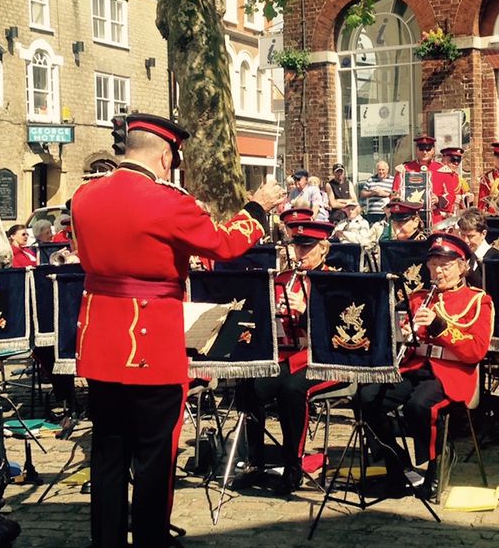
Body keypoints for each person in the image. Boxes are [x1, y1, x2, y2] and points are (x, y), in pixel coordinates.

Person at [72, 112, 284, 547]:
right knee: (154, 454)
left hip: (100, 338)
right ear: (166, 155)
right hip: (150, 339)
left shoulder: (84, 195)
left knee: (108, 452)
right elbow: (222, 244)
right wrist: (258, 207)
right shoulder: (168, 201)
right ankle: (150, 538)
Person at [357, 232, 494, 496]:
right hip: (415, 365)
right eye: (433, 265)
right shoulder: (419, 296)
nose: (438, 272)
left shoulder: (478, 300)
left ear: (462, 267)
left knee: (419, 406)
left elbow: (476, 350)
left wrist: (438, 325)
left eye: (445, 266)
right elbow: (399, 337)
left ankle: (439, 460)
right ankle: (397, 464)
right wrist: (403, 331)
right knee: (368, 397)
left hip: (452, 371)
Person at [238, 219, 340, 495]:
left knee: (292, 390)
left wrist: (307, 312)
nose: (301, 253)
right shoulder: (282, 279)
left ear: (324, 250)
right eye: (298, 247)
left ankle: (293, 465)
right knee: (248, 382)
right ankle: (255, 461)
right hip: (285, 353)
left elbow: (341, 331)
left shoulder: (334, 281)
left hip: (319, 356)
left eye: (308, 247)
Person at [393, 135, 457, 224]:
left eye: (428, 149)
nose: (424, 152)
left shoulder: (442, 170)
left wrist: (438, 200)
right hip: (409, 220)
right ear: (416, 149)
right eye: (421, 149)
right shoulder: (404, 169)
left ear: (433, 150)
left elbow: (451, 196)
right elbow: (395, 193)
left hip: (435, 219)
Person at [458, 208, 499, 288]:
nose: (466, 241)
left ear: (483, 234)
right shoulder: (460, 255)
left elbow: (495, 289)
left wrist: (469, 272)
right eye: (463, 235)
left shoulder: (495, 257)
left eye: (470, 236)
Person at [440, 147, 473, 212]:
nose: (456, 163)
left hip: (454, 214)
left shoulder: (459, 179)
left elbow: (465, 194)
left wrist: (468, 197)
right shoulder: (436, 175)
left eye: (458, 160)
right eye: (453, 160)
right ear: (444, 159)